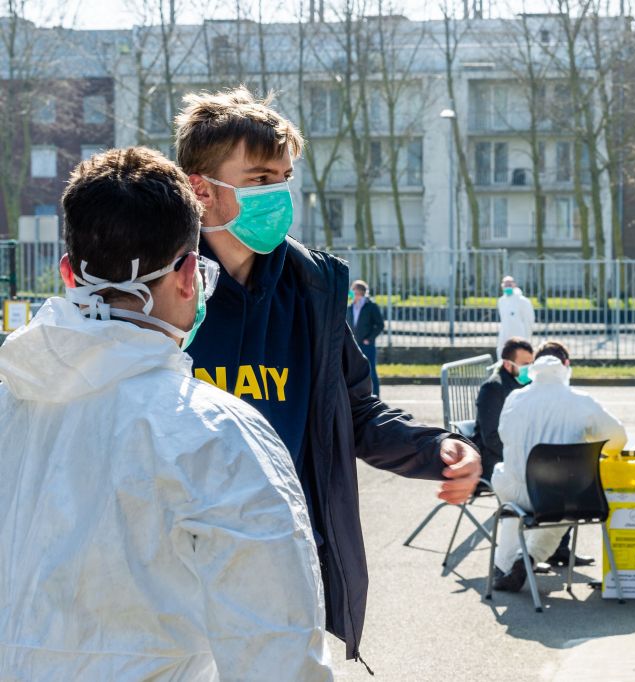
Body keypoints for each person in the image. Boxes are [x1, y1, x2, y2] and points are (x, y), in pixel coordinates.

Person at [174, 87, 481, 666]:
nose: (279, 195)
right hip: (183, 569)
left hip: (290, 563)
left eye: (285, 178)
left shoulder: (314, 290)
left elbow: (357, 411)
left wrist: (436, 447)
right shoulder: (161, 287)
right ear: (201, 188)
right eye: (261, 178)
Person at [0, 147, 332, 679]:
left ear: (68, 274)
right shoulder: (216, 433)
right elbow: (279, 647)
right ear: (186, 278)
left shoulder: (9, 408)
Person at [492, 341, 627, 592]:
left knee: (505, 483)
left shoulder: (515, 398)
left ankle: (504, 564)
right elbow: (617, 438)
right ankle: (528, 558)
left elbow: (503, 435)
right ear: (566, 366)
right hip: (560, 498)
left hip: (516, 493)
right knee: (566, 501)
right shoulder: (581, 401)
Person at [474, 337, 534, 481]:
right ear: (507, 365)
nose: (529, 369)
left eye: (532, 363)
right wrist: (520, 458)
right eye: (525, 364)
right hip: (493, 460)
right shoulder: (493, 388)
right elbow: (492, 438)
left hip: (517, 454)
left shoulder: (527, 384)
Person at [346, 279, 385, 396]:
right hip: (353, 345)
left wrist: (370, 338)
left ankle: (376, 397)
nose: (352, 294)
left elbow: (380, 325)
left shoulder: (371, 306)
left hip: (367, 345)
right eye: (351, 292)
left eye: (354, 291)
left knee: (371, 371)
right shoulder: (349, 307)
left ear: (361, 292)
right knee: (353, 373)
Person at [496, 275, 534, 358]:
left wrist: (527, 335)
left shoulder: (523, 301)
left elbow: (529, 320)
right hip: (505, 333)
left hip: (520, 333)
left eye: (510, 284)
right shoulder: (501, 301)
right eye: (506, 285)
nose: (508, 287)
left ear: (514, 285)